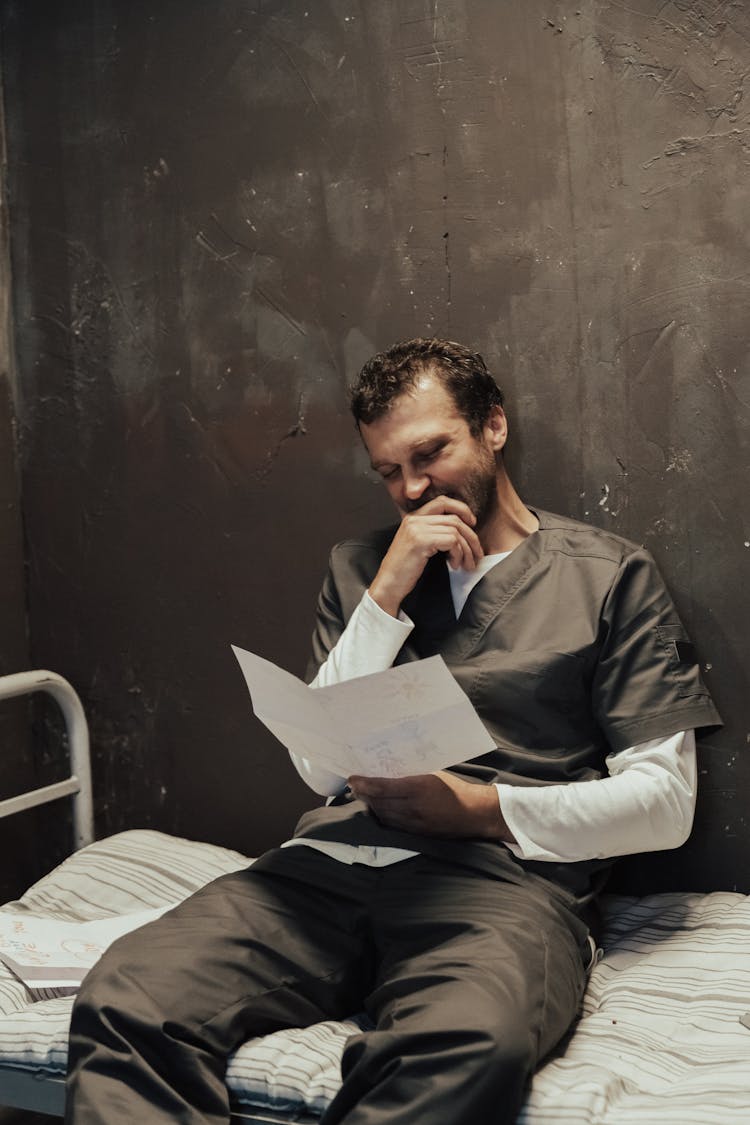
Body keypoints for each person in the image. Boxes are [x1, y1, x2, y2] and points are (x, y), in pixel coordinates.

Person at [65, 337, 721, 1125]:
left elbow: (665, 800)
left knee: (470, 1042)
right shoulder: (361, 568)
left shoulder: (609, 574)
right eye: (387, 471)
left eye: (430, 453)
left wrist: (478, 810)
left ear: (493, 427)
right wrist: (385, 594)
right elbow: (318, 769)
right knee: (124, 997)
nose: (412, 488)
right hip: (328, 866)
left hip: (502, 887)